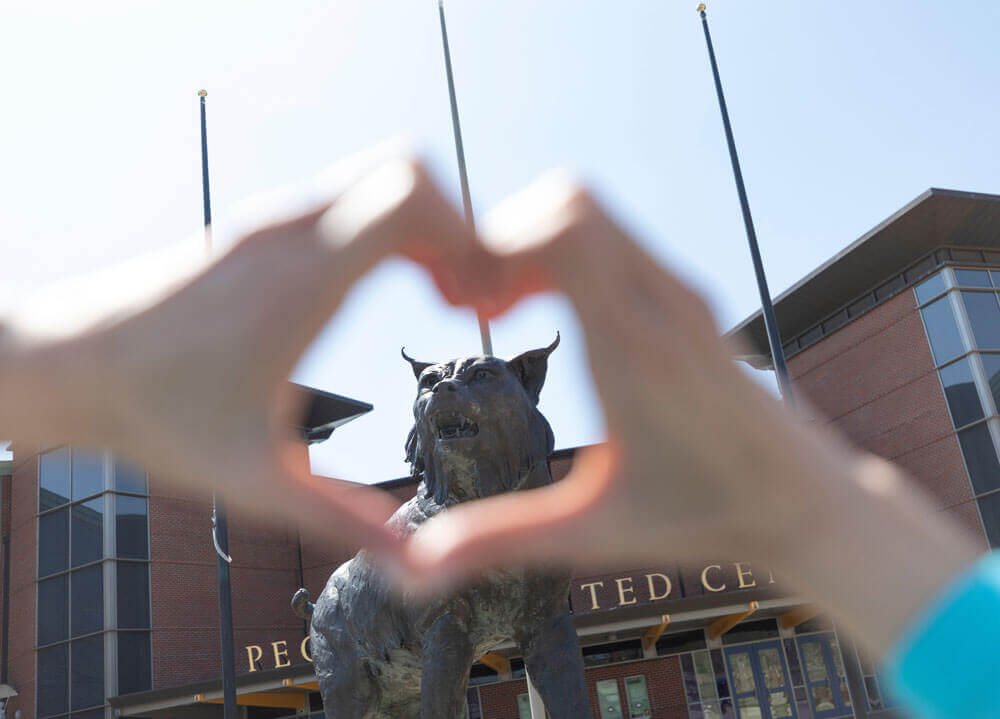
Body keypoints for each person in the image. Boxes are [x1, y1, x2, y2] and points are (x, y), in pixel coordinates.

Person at [0, 148, 993, 718]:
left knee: (542, 624)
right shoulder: (428, 522)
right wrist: (827, 521)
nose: (439, 385)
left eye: (469, 374)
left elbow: (550, 647)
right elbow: (448, 665)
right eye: (428, 382)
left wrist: (41, 372)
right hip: (357, 627)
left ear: (529, 388)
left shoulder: (542, 524)